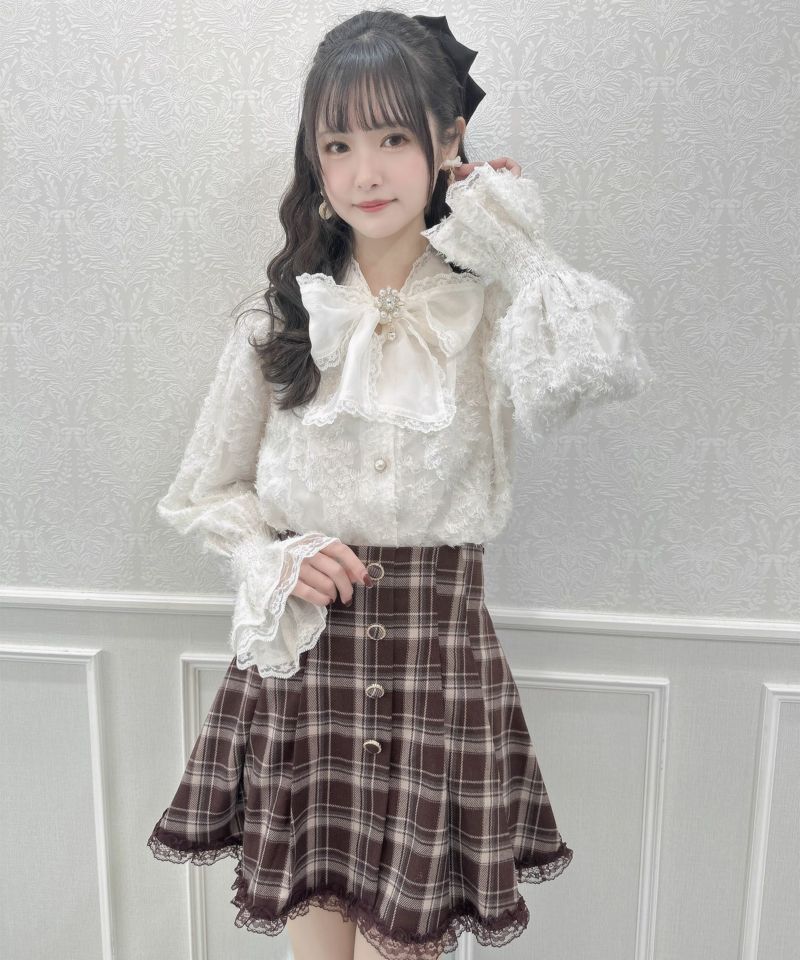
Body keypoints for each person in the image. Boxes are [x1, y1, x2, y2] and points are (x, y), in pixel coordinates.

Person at [146, 9, 655, 960]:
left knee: (409, 943)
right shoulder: (282, 318)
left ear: (447, 140)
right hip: (308, 659)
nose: (364, 172)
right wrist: (274, 559)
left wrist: (514, 239)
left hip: (438, 660)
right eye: (338, 144)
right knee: (316, 926)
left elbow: (591, 372)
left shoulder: (489, 305)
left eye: (391, 138)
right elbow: (203, 492)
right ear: (314, 160)